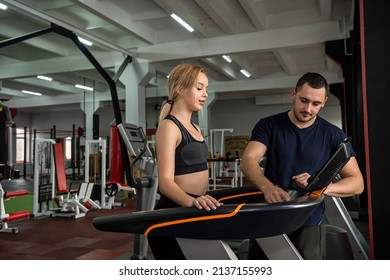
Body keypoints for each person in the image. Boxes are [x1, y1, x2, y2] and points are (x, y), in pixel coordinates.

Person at [240, 72, 364, 260]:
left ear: (324, 102)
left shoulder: (334, 135)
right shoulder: (268, 125)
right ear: (293, 94)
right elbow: (248, 161)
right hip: (271, 214)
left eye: (315, 104)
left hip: (310, 221)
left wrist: (320, 186)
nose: (308, 108)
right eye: (303, 100)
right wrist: (268, 187)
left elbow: (357, 183)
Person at [147, 63, 222, 259]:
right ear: (180, 89)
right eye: (199, 88)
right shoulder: (169, 127)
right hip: (173, 213)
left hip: (192, 210)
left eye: (206, 88)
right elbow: (165, 183)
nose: (205, 94)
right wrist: (192, 201)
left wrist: (199, 201)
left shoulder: (196, 128)